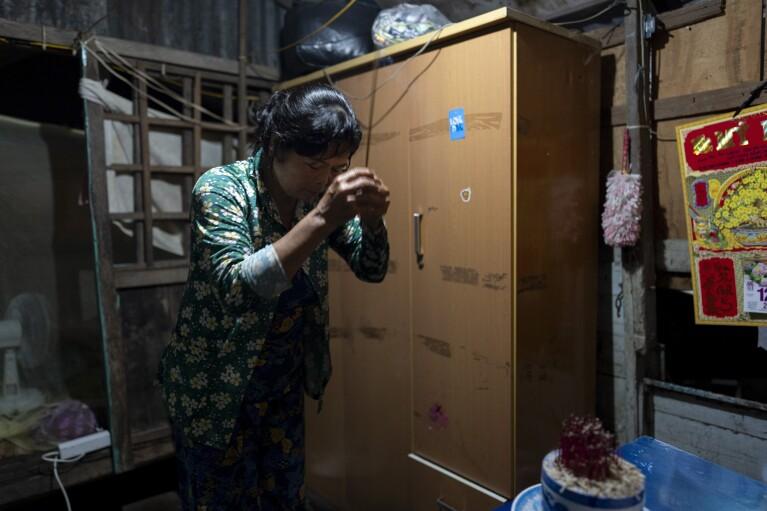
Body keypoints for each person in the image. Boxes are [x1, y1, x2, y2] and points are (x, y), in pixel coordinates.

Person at [158, 83, 390, 510]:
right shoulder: (223, 189)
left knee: (285, 499)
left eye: (340, 166)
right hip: (214, 389)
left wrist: (373, 222)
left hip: (280, 387)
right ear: (277, 147)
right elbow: (238, 287)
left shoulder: (318, 196)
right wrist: (323, 217)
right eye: (316, 164)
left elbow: (370, 267)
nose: (329, 179)